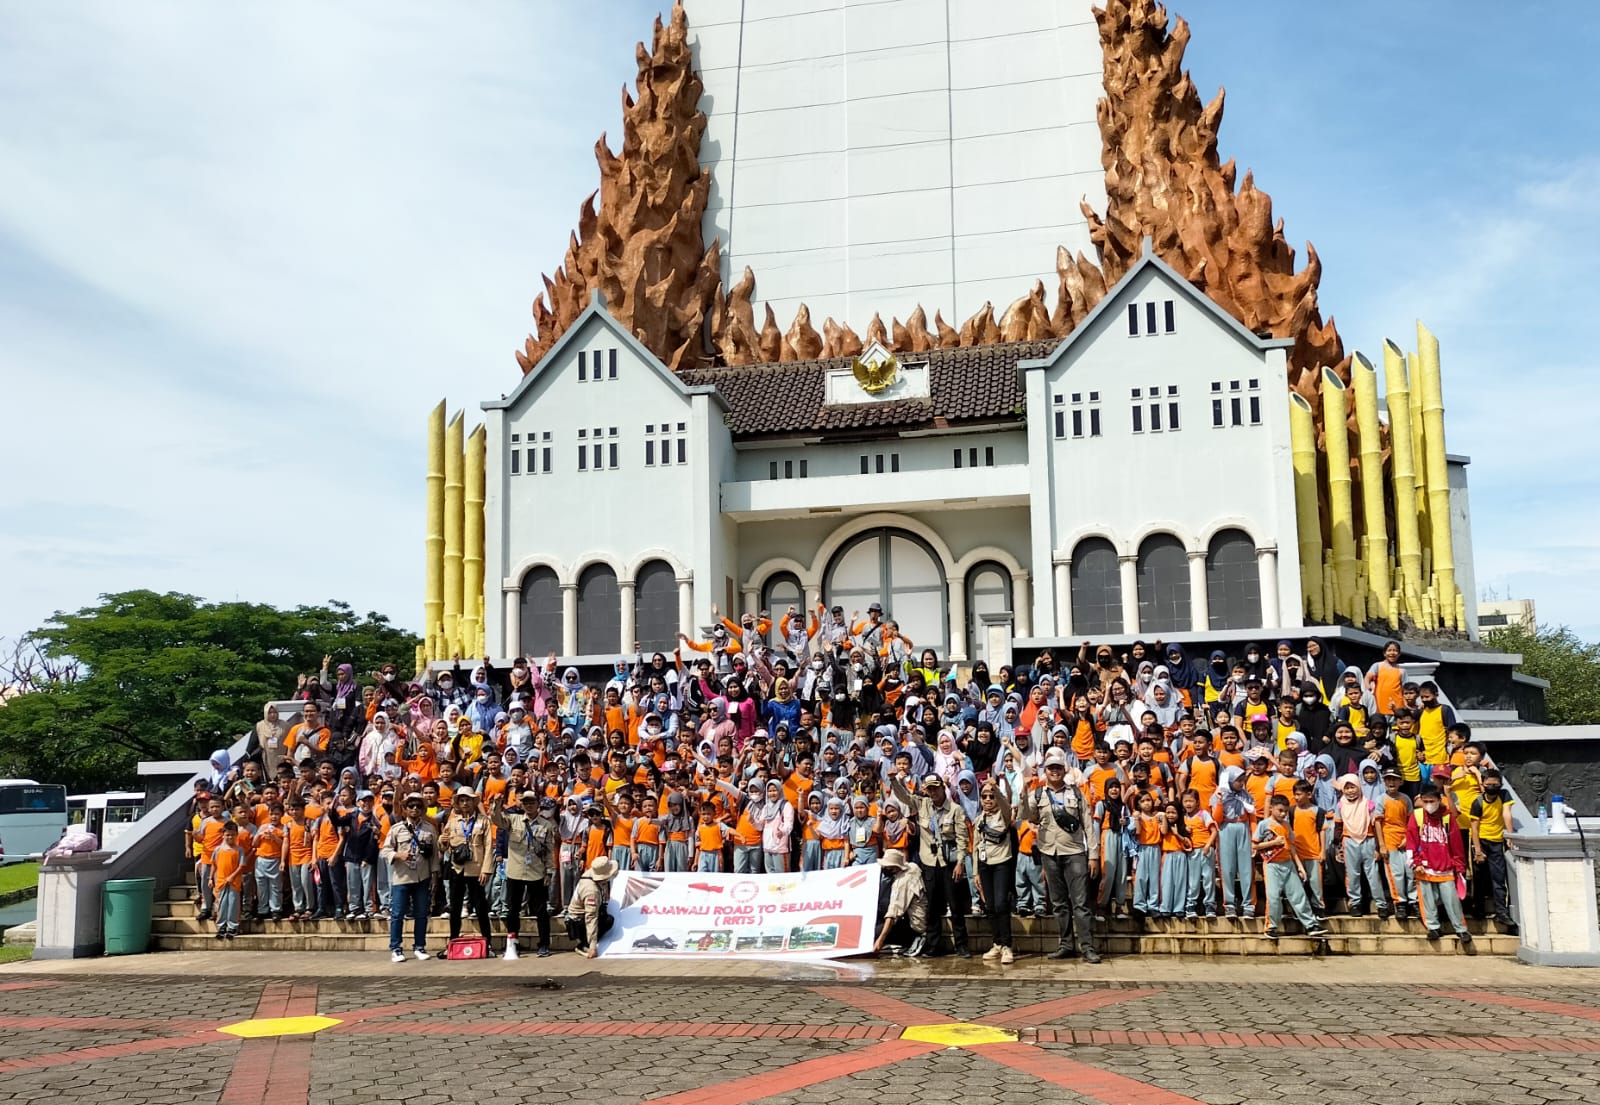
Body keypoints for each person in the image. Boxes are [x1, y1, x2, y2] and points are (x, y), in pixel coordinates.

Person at [1015, 747, 1101, 962]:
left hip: (1075, 852)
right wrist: (1023, 793)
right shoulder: (1038, 793)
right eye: (1051, 768)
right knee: (1059, 903)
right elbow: (1027, 816)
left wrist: (1094, 855)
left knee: (1080, 903)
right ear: (1046, 770)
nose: (1054, 771)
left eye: (1058, 768)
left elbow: (1089, 825)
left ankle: (1087, 946)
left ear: (1064, 770)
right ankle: (1065, 944)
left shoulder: (1076, 794)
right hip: (1049, 852)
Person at [1252, 795, 1331, 940]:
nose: (1283, 814)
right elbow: (1254, 845)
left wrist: (1299, 866)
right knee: (1273, 897)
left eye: (1285, 811)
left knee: (1298, 895)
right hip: (1272, 864)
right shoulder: (1264, 824)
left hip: (1288, 863)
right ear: (1271, 809)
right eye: (1280, 810)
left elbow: (1292, 847)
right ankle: (1271, 926)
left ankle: (1311, 924)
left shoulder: (1287, 825)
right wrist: (1273, 843)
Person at [492, 791, 557, 959]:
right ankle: (513, 943)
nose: (529, 805)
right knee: (513, 910)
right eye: (526, 802)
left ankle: (543, 944)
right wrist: (497, 805)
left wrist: (549, 871)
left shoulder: (546, 825)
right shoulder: (513, 820)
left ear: (538, 804)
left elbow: (549, 851)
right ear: (522, 804)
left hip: (536, 871)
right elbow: (497, 820)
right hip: (515, 871)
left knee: (541, 910)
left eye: (532, 802)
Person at [1405, 784, 1473, 944]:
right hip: (1424, 866)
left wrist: (1459, 866)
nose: (1429, 804)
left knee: (1452, 900)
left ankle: (1461, 929)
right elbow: (1411, 841)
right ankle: (1433, 928)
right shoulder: (1417, 816)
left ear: (1439, 800)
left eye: (1432, 801)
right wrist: (1415, 861)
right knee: (1428, 900)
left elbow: (1456, 844)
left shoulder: (1447, 817)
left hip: (1445, 867)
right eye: (1426, 801)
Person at [381, 793, 440, 963]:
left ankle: (420, 946)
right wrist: (398, 854)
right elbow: (385, 850)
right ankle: (396, 948)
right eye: (411, 806)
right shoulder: (397, 829)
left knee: (421, 913)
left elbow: (435, 855)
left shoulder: (429, 829)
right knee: (398, 914)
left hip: (422, 876)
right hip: (402, 877)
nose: (415, 809)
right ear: (405, 809)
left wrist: (435, 875)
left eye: (418, 806)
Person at [973, 781, 1017, 964]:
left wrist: (996, 788)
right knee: (989, 905)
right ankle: (997, 943)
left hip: (1001, 863)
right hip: (984, 865)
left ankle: (1007, 945)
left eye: (991, 796)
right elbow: (975, 846)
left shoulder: (1004, 815)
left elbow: (1006, 804)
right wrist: (975, 872)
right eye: (984, 796)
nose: (988, 799)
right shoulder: (979, 819)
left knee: (1000, 904)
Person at [871, 849, 929, 957]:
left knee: (874, 933)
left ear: (894, 868)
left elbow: (892, 914)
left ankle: (913, 941)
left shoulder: (901, 883)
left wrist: (880, 940)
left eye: (887, 867)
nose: (884, 869)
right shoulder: (913, 867)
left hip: (915, 926)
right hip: (918, 916)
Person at [566, 855, 618, 958]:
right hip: (578, 922)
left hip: (578, 917)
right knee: (608, 920)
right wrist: (593, 946)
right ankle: (584, 944)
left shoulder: (590, 874)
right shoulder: (591, 891)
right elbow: (591, 918)